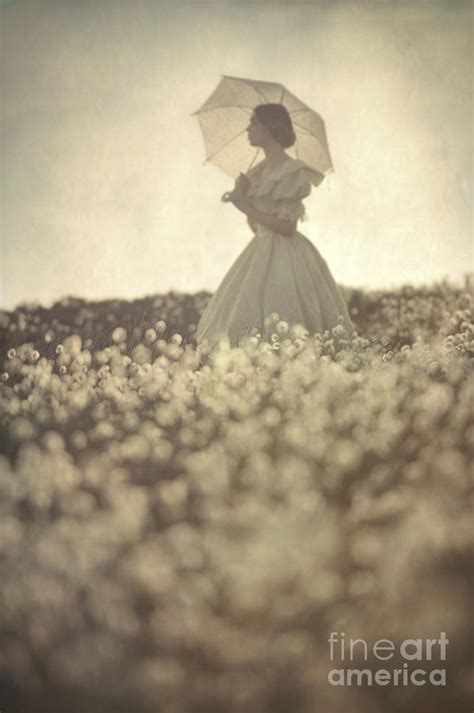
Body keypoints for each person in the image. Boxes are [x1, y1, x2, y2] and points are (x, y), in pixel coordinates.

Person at [195, 103, 355, 348]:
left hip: (288, 256)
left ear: (268, 128)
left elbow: (286, 227)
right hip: (260, 249)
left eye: (254, 123)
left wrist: (246, 206)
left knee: (285, 315)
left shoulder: (291, 171)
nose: (248, 129)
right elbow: (258, 228)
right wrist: (244, 196)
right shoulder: (258, 172)